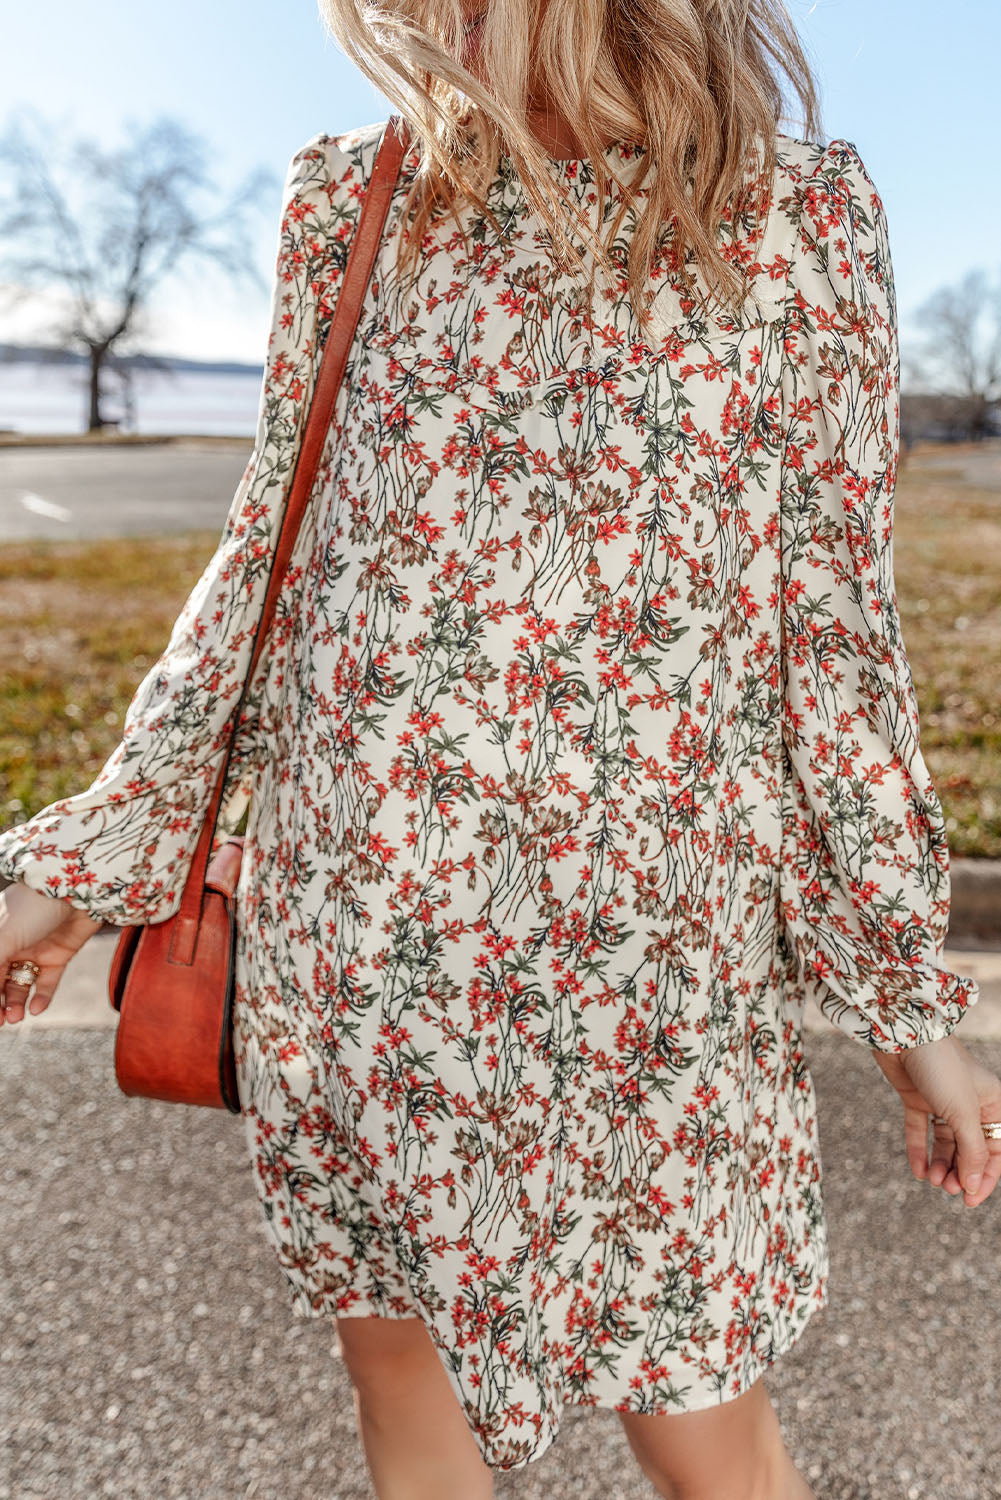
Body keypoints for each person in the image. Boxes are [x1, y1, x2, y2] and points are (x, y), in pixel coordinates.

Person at [2, 2, 1000, 1497]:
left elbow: (831, 644)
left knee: (709, 1432)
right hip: (367, 957)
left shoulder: (798, 219)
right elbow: (265, 567)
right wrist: (92, 864)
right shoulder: (356, 198)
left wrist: (903, 997)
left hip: (654, 978)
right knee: (408, 1401)